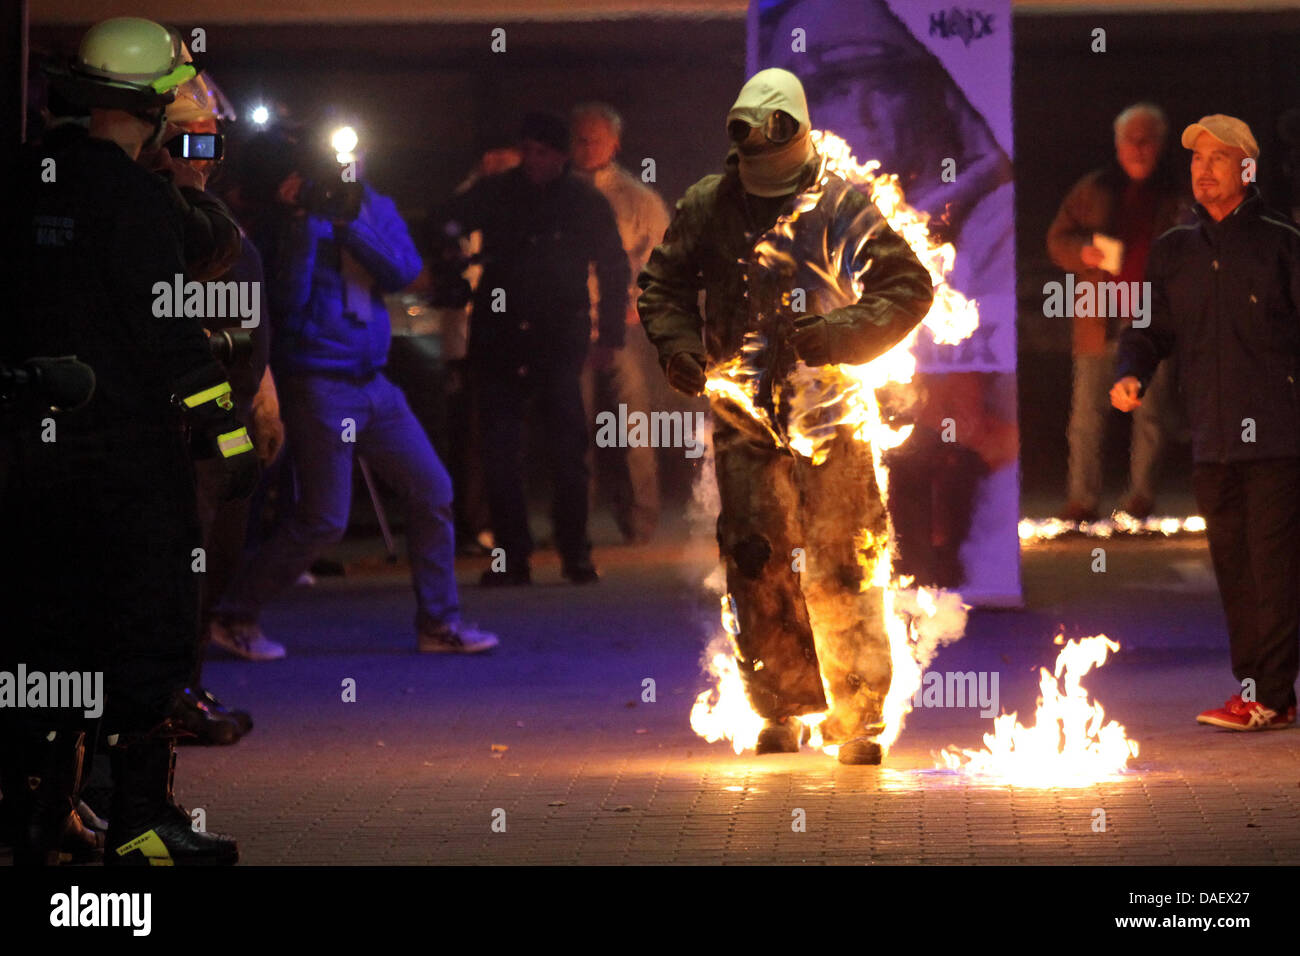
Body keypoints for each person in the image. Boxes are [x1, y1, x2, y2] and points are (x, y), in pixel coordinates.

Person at [2, 17, 256, 864]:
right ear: (151, 108)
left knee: (47, 634)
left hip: (31, 460)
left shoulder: (28, 185)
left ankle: (41, 813)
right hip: (129, 460)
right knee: (146, 632)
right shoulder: (140, 200)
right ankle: (146, 825)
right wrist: (228, 432)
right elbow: (172, 336)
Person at [638, 68, 933, 764]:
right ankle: (781, 710)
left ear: (800, 140)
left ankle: (857, 720)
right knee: (755, 561)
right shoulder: (709, 204)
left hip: (830, 419)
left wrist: (845, 332)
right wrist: (679, 347)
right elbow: (665, 285)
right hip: (743, 417)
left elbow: (907, 285)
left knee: (846, 563)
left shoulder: (840, 202)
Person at [207, 127, 498, 657]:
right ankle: (232, 613)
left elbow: (406, 272)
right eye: (336, 161)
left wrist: (348, 225)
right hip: (317, 382)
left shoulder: (374, 205)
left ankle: (439, 624)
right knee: (323, 519)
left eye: (355, 157)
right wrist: (299, 221)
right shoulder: (285, 218)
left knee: (433, 490)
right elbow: (287, 303)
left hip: (374, 382)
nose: (347, 169)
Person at [1113, 114, 1300, 731]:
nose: (1204, 169)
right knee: (1236, 573)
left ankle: (1269, 695)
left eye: (1219, 158)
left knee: (1274, 571)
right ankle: (1260, 693)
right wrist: (1130, 370)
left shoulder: (1282, 242)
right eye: (1197, 159)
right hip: (1212, 441)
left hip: (1277, 437)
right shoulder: (1174, 250)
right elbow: (1149, 329)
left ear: (1247, 169)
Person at [140, 60, 283, 741]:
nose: (203, 158)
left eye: (209, 142)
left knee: (216, 558)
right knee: (177, 571)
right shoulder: (146, 225)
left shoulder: (211, 223)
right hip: (178, 433)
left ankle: (183, 688)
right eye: (189, 140)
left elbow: (244, 324)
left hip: (224, 427)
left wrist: (263, 400)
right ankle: (161, 705)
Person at [434, 112, 630, 586]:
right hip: (501, 337)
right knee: (500, 451)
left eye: (544, 152)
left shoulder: (584, 202)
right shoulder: (499, 191)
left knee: (567, 450)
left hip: (558, 334)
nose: (535, 161)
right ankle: (512, 557)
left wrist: (610, 339)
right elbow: (444, 221)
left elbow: (612, 267)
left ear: (561, 156)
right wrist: (452, 256)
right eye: (530, 151)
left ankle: (575, 554)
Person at [1049, 103, 1190, 521]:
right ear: (1118, 144)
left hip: (1151, 316)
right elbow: (1057, 239)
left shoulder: (1176, 193)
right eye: (1132, 139)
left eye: (1148, 140)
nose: (1139, 148)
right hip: (1099, 317)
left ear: (1161, 145)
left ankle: (1140, 497)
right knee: (1088, 416)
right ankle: (1082, 500)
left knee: (1150, 413)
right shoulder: (1094, 189)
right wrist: (1082, 251)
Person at [570, 102, 671, 544]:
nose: (585, 147)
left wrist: (639, 307)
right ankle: (573, 521)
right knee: (573, 425)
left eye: (593, 139)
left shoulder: (638, 199)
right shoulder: (556, 195)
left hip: (620, 326)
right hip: (570, 324)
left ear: (614, 143)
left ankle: (640, 519)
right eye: (578, 138)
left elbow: (666, 264)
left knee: (632, 424)